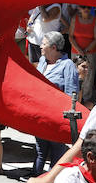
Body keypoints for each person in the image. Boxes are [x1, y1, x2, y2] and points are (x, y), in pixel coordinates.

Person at [34, 32, 79, 175]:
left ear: (53, 47)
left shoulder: (67, 65)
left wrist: (64, 118)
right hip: (40, 115)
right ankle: (34, 181)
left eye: (44, 43)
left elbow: (72, 94)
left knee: (56, 153)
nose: (41, 46)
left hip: (56, 117)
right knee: (40, 151)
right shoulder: (42, 61)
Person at [68, 5, 96, 105]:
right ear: (79, 8)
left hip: (90, 52)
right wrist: (79, 50)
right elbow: (71, 36)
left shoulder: (95, 21)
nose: (86, 9)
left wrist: (86, 50)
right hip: (76, 52)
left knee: (89, 76)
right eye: (83, 7)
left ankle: (85, 100)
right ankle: (75, 98)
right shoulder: (75, 19)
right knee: (75, 75)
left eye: (88, 7)